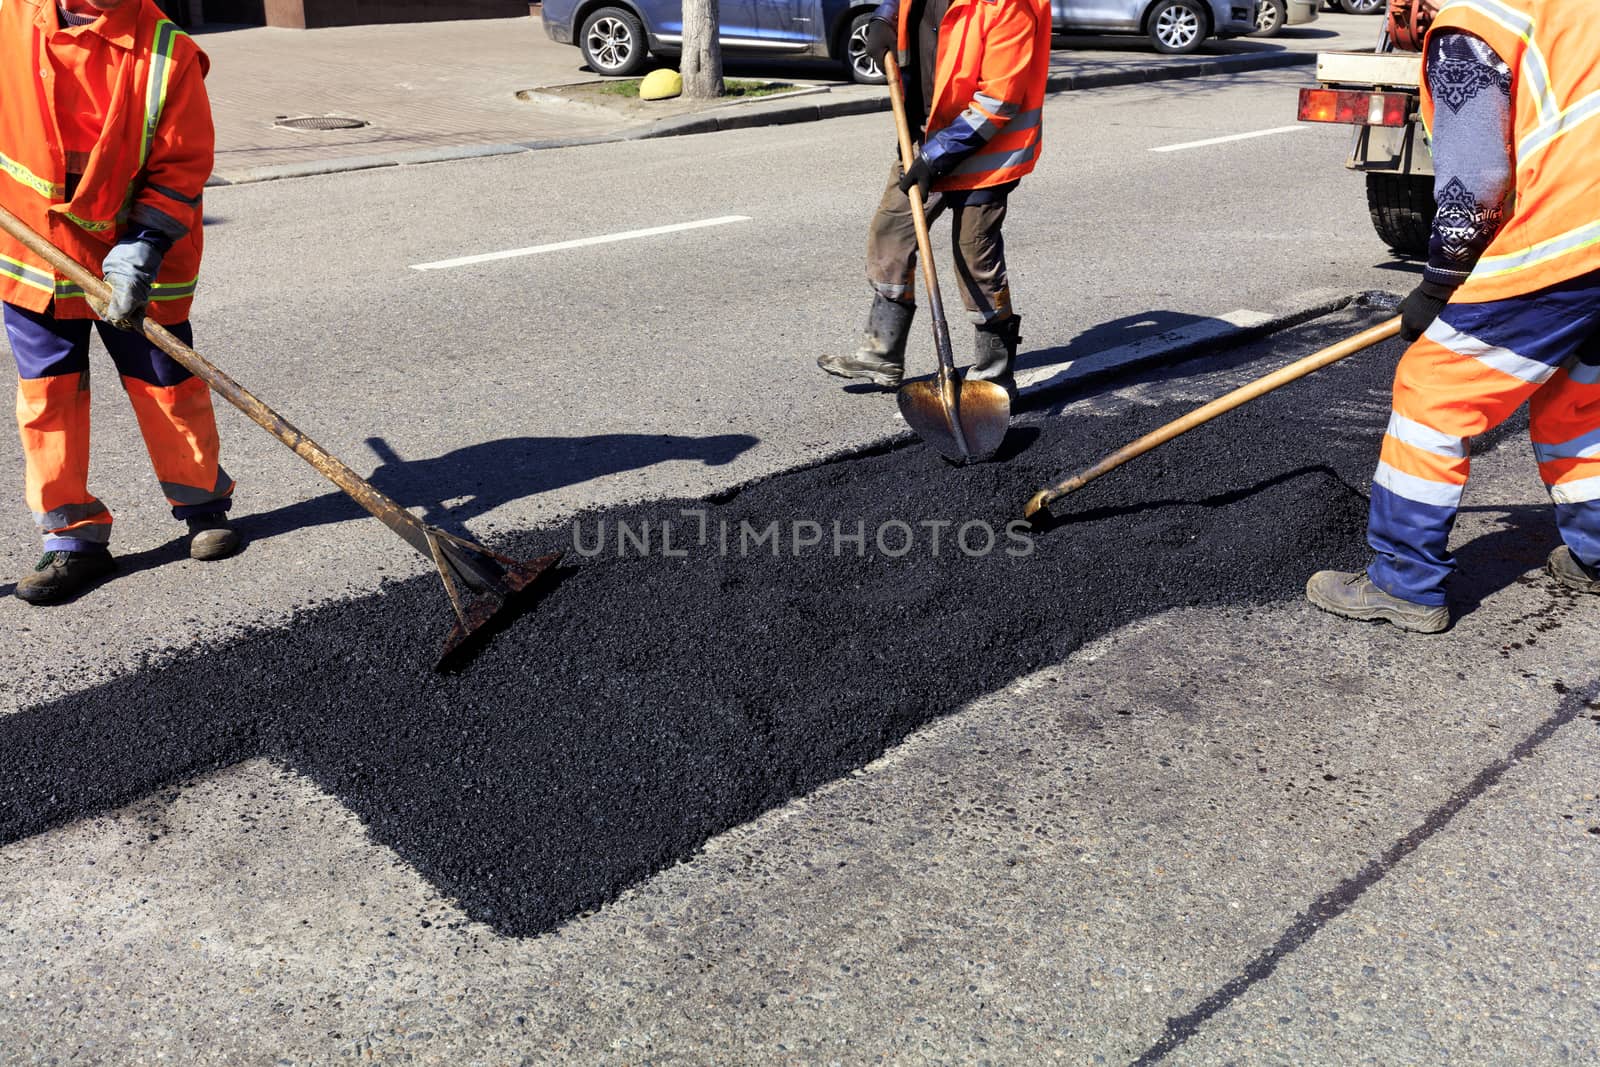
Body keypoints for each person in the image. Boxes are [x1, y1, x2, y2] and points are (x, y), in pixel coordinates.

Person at [1306, 0, 1600, 632]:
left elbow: (1478, 178)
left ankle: (1404, 582)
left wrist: (1440, 284)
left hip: (1579, 237)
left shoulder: (1477, 21)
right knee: (1580, 398)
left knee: (1434, 390)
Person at [1, 0, 238, 605]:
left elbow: (181, 165)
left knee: (166, 384)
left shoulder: (168, 54)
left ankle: (203, 506)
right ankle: (72, 540)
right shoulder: (7, 21)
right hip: (36, 255)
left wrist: (144, 246)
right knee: (47, 397)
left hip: (135, 257)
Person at [817, 0, 1050, 399]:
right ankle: (880, 352)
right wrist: (882, 19)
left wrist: (934, 158)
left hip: (987, 151)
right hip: (926, 137)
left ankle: (994, 375)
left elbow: (999, 100)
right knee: (892, 232)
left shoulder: (1008, 6)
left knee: (973, 258)